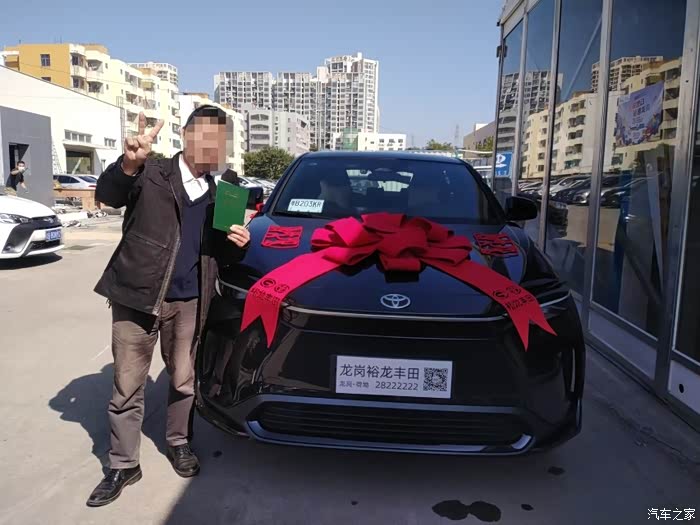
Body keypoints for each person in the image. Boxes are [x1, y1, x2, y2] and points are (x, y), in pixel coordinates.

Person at [86, 106, 251, 507]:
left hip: (190, 299)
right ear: (186, 135)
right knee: (127, 385)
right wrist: (128, 163)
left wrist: (237, 244)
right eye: (206, 136)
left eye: (220, 140)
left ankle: (179, 442)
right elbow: (108, 196)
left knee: (182, 379)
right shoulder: (152, 172)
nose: (213, 147)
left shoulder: (223, 192)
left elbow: (221, 255)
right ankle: (123, 463)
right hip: (137, 295)